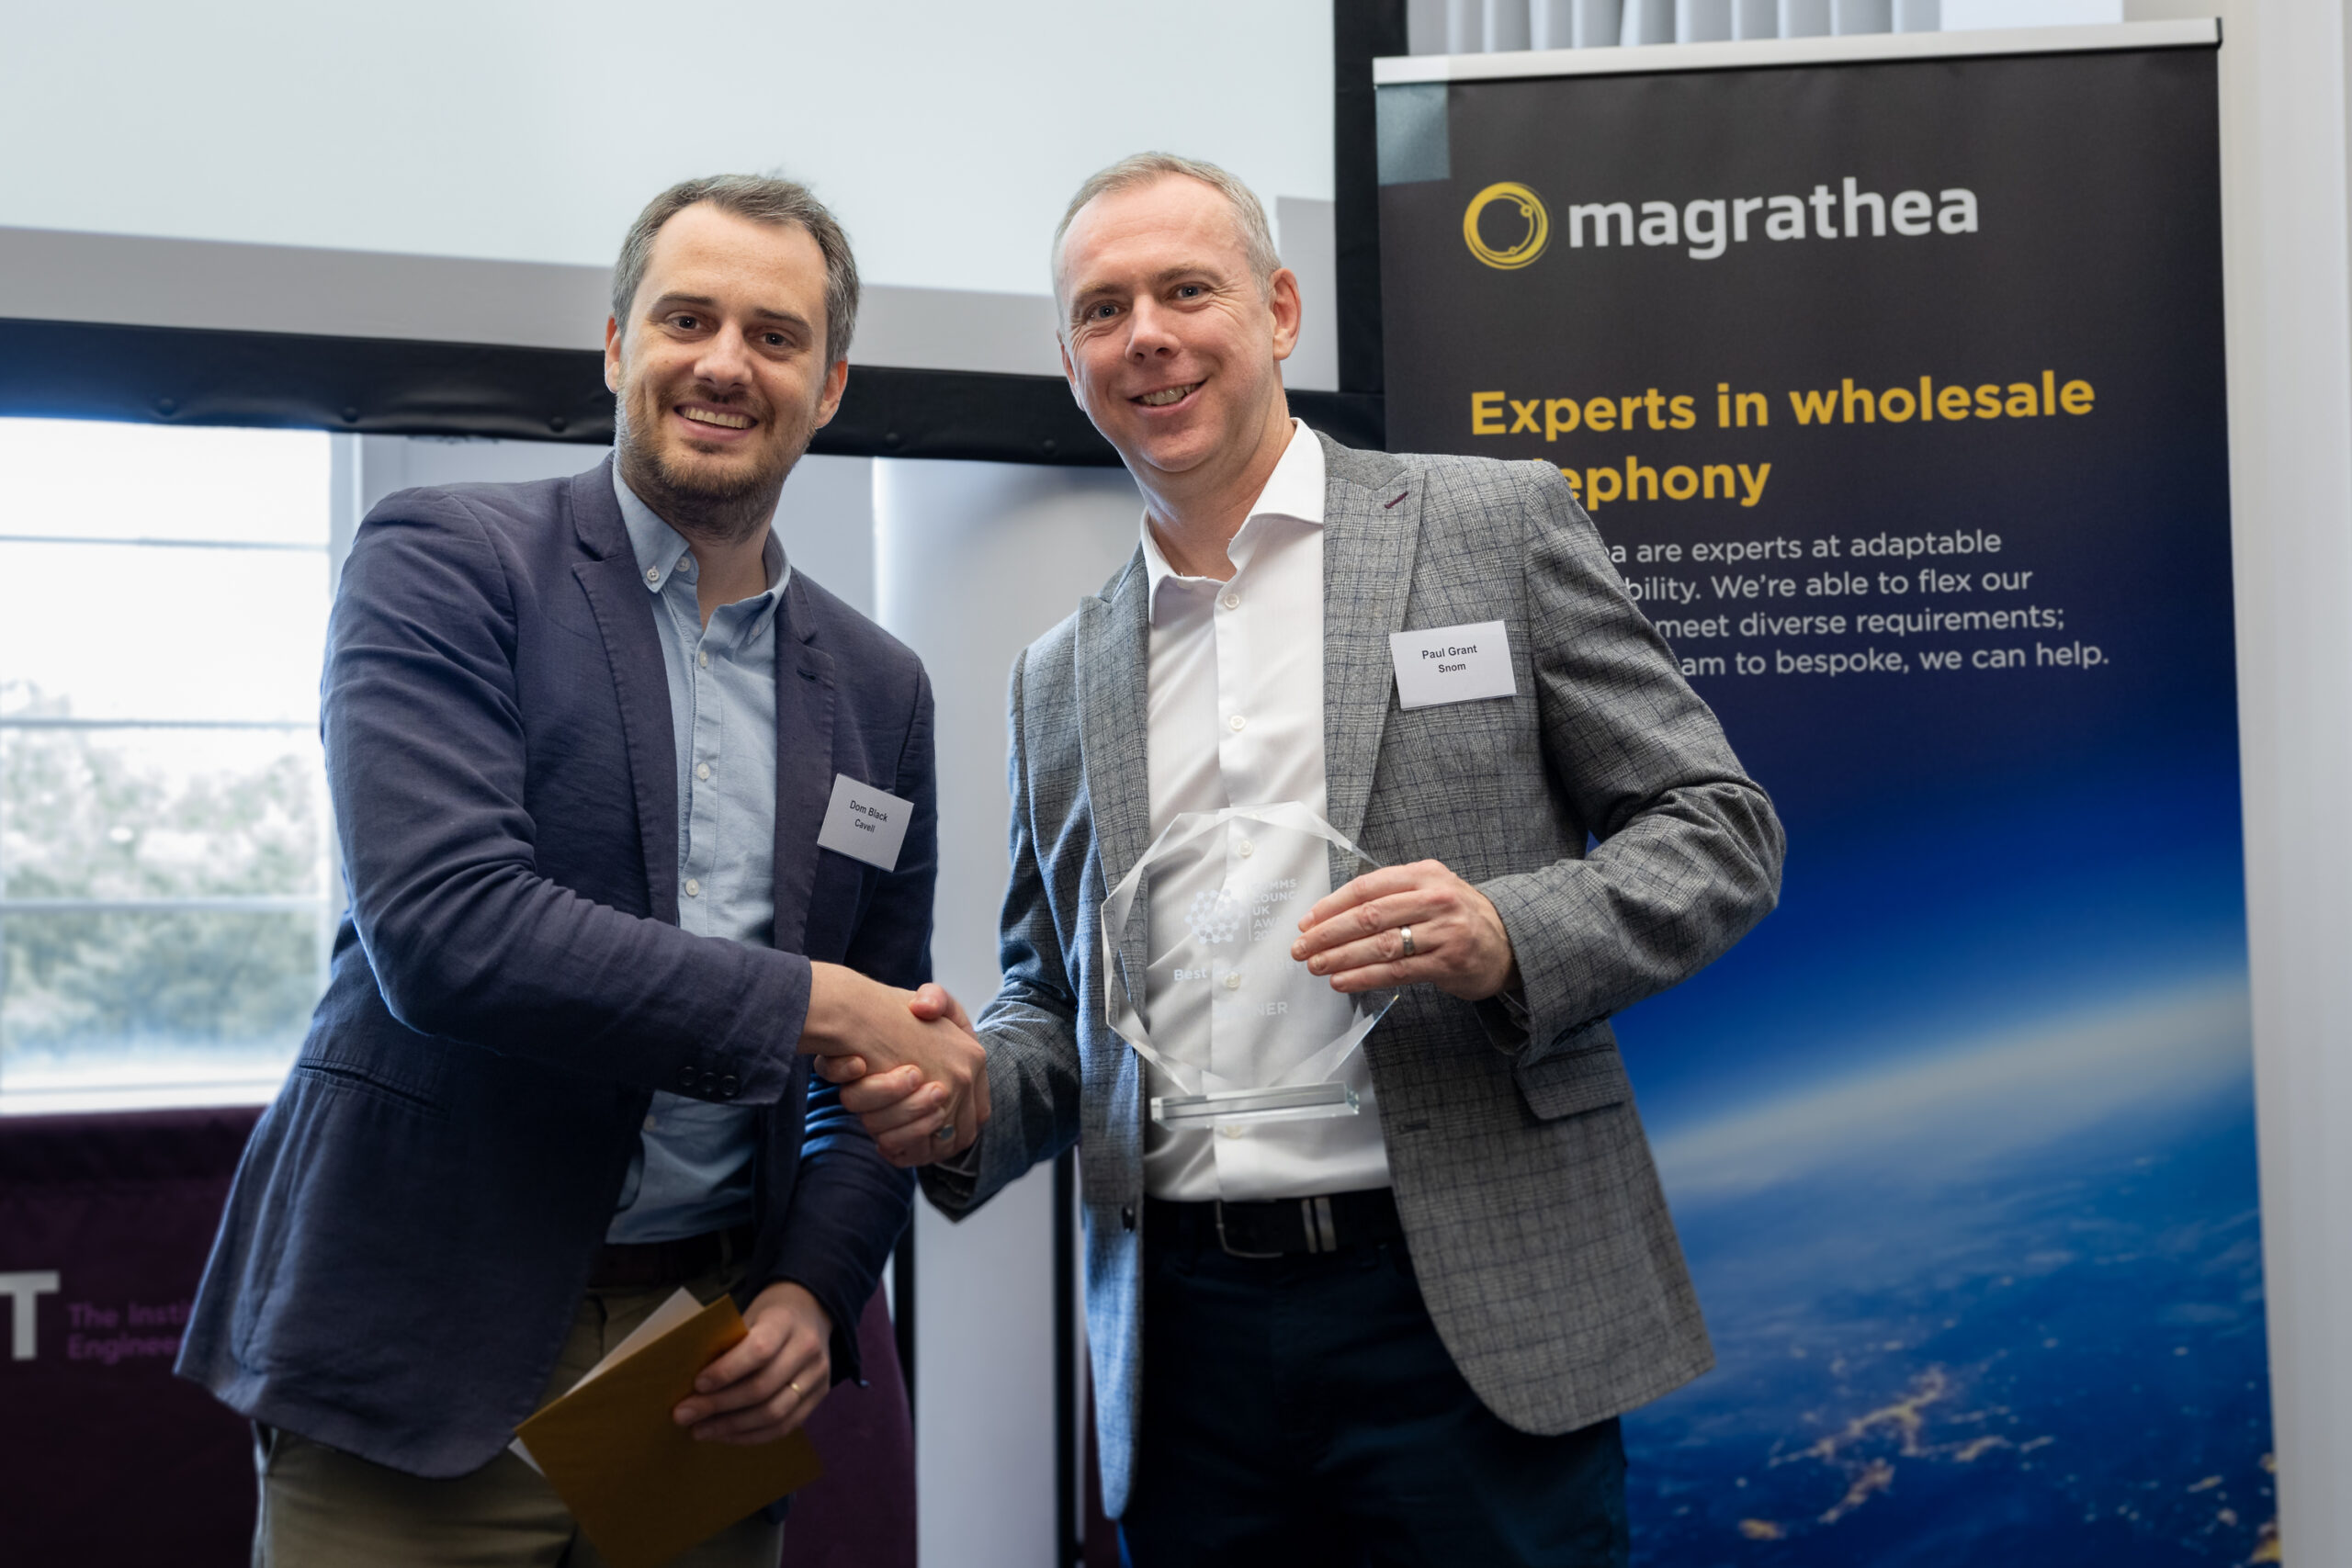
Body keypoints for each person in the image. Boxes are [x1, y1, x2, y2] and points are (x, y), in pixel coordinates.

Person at [829, 154, 1785, 1565]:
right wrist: (961, 1102)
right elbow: (1058, 1008)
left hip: (1466, 1318)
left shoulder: (1492, 525)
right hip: (1187, 1348)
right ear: (1071, 363)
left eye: (1186, 290)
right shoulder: (1055, 676)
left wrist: (1506, 935)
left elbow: (1719, 830)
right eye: (1103, 310)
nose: (1146, 335)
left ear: (1280, 310)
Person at [177, 174, 986, 1565]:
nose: (725, 363)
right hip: (424, 1345)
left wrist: (812, 1287)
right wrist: (821, 1004)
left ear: (830, 386)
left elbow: (882, 1057)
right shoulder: (448, 561)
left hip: (699, 1369)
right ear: (617, 346)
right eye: (686, 319)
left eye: (775, 336)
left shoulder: (879, 687)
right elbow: (449, 931)